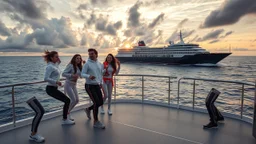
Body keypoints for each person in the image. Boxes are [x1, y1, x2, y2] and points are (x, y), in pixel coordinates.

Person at [43, 50, 74, 125]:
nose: (58, 58)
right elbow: (45, 78)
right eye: (56, 57)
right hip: (50, 89)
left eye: (58, 56)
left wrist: (59, 61)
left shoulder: (55, 64)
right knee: (67, 100)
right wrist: (56, 82)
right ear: (51, 58)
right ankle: (64, 119)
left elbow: (58, 64)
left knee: (67, 100)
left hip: (54, 88)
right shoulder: (49, 67)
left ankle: (65, 118)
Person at [81, 48, 105, 129]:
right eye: (89, 54)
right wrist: (89, 76)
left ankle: (88, 109)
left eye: (92, 53)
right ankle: (96, 122)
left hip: (97, 85)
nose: (90, 55)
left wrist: (101, 83)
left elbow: (100, 74)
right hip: (89, 85)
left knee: (100, 102)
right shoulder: (87, 64)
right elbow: (82, 74)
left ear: (96, 54)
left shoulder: (99, 63)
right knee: (96, 103)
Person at [62, 54, 83, 121]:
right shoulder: (70, 65)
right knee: (73, 100)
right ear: (74, 59)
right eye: (77, 58)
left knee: (77, 100)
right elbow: (63, 74)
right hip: (68, 84)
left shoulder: (79, 67)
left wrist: (84, 66)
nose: (79, 60)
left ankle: (68, 112)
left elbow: (81, 76)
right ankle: (67, 114)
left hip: (74, 85)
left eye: (80, 58)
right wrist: (72, 75)